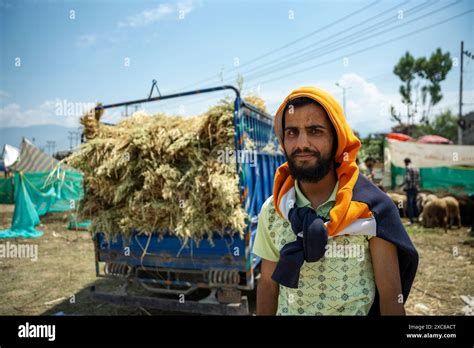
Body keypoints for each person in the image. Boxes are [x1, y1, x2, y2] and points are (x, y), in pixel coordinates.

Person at [252, 86, 418, 315]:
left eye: (315, 131)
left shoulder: (370, 211)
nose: (302, 143)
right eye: (292, 132)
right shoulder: (273, 210)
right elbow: (269, 286)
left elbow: (391, 297)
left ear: (337, 139)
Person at [402, 157, 420, 224]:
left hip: (410, 189)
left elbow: (408, 179)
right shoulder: (416, 168)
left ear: (406, 162)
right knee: (415, 204)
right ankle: (418, 218)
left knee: (410, 204)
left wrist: (404, 187)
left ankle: (411, 220)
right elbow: (418, 179)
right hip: (416, 188)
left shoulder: (408, 168)